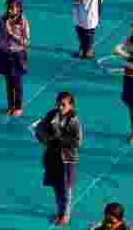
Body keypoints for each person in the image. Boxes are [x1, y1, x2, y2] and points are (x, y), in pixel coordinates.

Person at [35, 91, 83, 227]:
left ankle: (65, 215)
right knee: (56, 186)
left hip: (66, 159)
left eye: (63, 105)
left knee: (66, 188)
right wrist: (41, 135)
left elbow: (77, 141)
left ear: (71, 106)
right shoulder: (52, 114)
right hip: (52, 156)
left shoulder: (74, 120)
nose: (60, 107)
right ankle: (59, 211)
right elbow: (42, 128)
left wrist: (58, 138)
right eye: (58, 104)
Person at [0, 0, 30, 116]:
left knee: (17, 82)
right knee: (8, 82)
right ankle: (10, 106)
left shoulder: (23, 21)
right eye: (9, 7)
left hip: (17, 55)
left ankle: (18, 107)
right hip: (5, 54)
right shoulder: (2, 19)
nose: (10, 10)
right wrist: (3, 41)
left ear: (19, 8)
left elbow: (26, 41)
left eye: (13, 8)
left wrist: (12, 34)